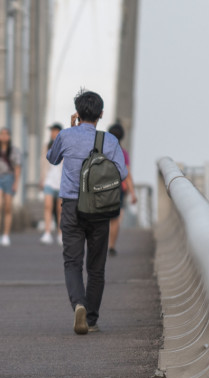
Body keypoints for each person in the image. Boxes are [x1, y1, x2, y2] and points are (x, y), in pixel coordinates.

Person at [47, 90, 128, 335]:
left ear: (77, 113)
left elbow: (52, 158)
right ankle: (91, 320)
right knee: (96, 266)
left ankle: (78, 304)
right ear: (101, 114)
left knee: (72, 262)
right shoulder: (109, 141)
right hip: (99, 207)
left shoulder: (65, 135)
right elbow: (122, 173)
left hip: (71, 206)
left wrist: (70, 130)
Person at [0, 127, 22, 246]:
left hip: (9, 178)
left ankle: (6, 235)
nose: (4, 136)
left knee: (7, 207)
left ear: (9, 136)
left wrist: (16, 183)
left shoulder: (14, 151)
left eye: (6, 134)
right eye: (2, 134)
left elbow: (17, 168)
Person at [107, 123, 138, 256]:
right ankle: (111, 246)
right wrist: (133, 193)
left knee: (101, 218)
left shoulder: (102, 150)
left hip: (101, 187)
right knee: (115, 219)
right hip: (117, 188)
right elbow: (127, 175)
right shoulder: (123, 153)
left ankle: (100, 245)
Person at [40, 123, 63, 245]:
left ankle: (60, 233)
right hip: (49, 180)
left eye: (55, 131)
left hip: (61, 181)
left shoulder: (64, 145)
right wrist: (42, 179)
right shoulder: (47, 146)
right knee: (47, 206)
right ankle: (47, 232)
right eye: (52, 131)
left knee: (60, 209)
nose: (52, 133)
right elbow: (43, 163)